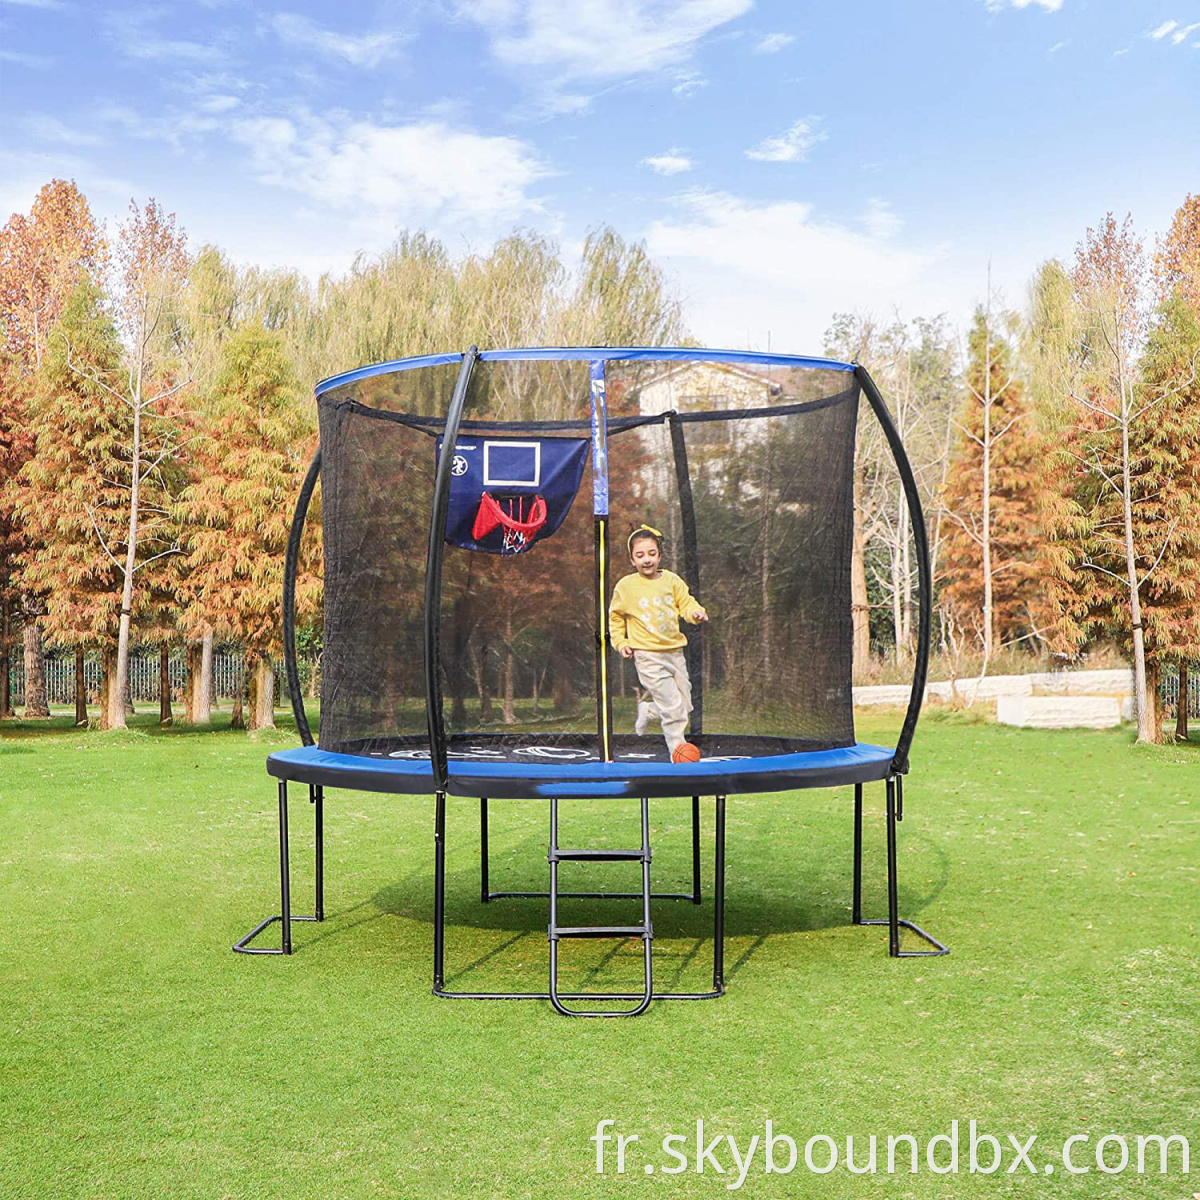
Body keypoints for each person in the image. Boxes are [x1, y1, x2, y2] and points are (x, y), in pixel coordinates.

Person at [609, 524, 708, 761]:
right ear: (632, 559)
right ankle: (678, 753)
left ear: (660, 555)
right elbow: (615, 616)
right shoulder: (626, 586)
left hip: (674, 652)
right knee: (674, 708)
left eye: (651, 554)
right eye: (640, 555)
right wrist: (620, 641)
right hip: (647, 655)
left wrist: (695, 612)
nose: (646, 560)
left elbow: (686, 603)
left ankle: (649, 709)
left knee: (685, 705)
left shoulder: (672, 581)